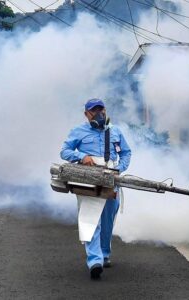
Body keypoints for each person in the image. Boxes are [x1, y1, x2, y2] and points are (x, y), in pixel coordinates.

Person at [60, 98, 132, 279]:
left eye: (101, 110)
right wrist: (82, 156)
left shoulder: (115, 131)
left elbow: (126, 152)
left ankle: (105, 254)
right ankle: (94, 261)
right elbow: (65, 151)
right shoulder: (78, 131)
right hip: (88, 180)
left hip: (111, 179)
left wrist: (119, 168)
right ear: (86, 114)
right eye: (94, 111)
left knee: (108, 218)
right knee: (91, 219)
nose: (99, 114)